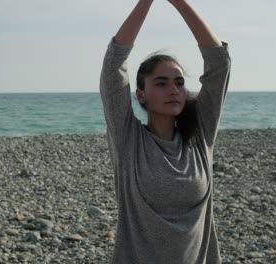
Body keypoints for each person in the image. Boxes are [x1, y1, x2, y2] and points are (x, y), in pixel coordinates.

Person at [99, 0, 231, 263]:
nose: (173, 90)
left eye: (179, 83)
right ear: (141, 95)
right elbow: (114, 65)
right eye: (161, 83)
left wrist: (178, 2)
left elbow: (219, 63)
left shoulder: (200, 136)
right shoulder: (129, 142)